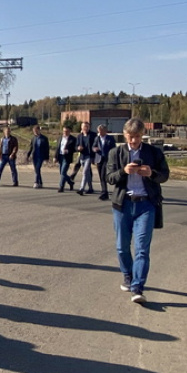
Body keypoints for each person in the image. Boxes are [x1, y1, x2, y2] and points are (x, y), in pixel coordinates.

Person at [106, 118, 169, 304]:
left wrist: (152, 174)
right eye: (131, 137)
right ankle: (128, 275)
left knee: (142, 248)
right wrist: (124, 171)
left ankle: (137, 287)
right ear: (125, 135)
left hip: (146, 205)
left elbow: (165, 175)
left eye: (138, 137)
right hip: (123, 205)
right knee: (122, 247)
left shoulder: (154, 153)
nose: (134, 141)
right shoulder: (116, 153)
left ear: (143, 135)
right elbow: (109, 178)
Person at [92, 124, 116, 200]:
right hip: (99, 159)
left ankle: (104, 192)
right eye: (99, 131)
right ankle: (104, 192)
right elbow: (93, 146)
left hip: (107, 159)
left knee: (103, 175)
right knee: (101, 176)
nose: (100, 133)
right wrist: (94, 149)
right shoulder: (97, 138)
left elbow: (114, 149)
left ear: (105, 131)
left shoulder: (110, 138)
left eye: (101, 131)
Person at [74, 121, 96, 195]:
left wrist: (94, 156)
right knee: (88, 173)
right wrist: (78, 148)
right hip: (82, 156)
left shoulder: (93, 135)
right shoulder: (79, 136)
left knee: (85, 172)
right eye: (84, 127)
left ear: (89, 127)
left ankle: (81, 188)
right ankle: (90, 188)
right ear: (81, 127)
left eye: (86, 127)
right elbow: (76, 146)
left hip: (89, 156)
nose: (85, 128)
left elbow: (96, 145)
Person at [26, 124, 50, 189]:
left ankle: (36, 182)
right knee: (37, 170)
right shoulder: (33, 138)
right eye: (34, 131)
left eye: (36, 131)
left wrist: (47, 157)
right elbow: (31, 147)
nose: (35, 132)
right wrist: (28, 155)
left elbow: (47, 148)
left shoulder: (44, 138)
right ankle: (40, 183)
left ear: (39, 130)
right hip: (35, 156)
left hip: (41, 156)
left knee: (37, 168)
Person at [55, 126, 77, 192]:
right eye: (64, 131)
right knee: (62, 173)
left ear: (70, 131)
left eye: (67, 131)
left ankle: (61, 187)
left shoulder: (73, 139)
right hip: (60, 156)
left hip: (67, 157)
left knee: (63, 172)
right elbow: (57, 148)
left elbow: (75, 148)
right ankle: (70, 182)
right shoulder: (60, 138)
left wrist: (68, 151)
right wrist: (55, 157)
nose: (65, 132)